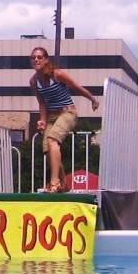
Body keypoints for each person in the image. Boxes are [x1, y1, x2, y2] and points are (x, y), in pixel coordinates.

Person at [29, 46, 99, 193]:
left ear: (46, 60)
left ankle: (54, 183)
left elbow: (76, 87)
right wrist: (42, 120)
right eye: (33, 57)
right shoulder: (34, 81)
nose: (36, 59)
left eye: (39, 57)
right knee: (48, 150)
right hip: (51, 116)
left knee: (52, 140)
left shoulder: (57, 75)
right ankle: (63, 184)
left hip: (68, 112)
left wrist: (93, 99)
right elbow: (42, 103)